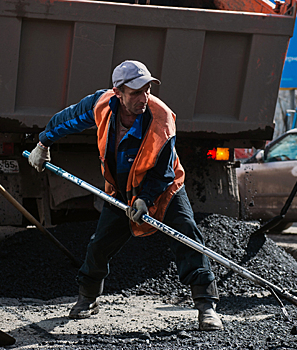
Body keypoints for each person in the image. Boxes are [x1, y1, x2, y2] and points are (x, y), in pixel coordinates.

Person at [28, 60, 223, 330]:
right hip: (121, 192)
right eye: (136, 92)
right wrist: (43, 143)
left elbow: (163, 170)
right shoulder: (101, 105)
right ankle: (88, 298)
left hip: (164, 188)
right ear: (118, 92)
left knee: (186, 235)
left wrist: (145, 199)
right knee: (99, 244)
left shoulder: (162, 118)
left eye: (147, 90)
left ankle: (206, 307)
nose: (144, 98)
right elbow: (69, 118)